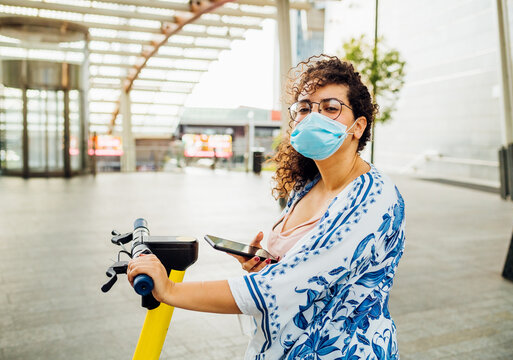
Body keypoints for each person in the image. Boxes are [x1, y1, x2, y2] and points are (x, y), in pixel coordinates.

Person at [127, 55, 406, 359]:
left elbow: (286, 287)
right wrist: (263, 263)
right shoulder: (310, 184)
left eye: (330, 108)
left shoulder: (372, 200)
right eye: (304, 108)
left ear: (358, 126)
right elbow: (306, 266)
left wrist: (170, 291)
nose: (314, 117)